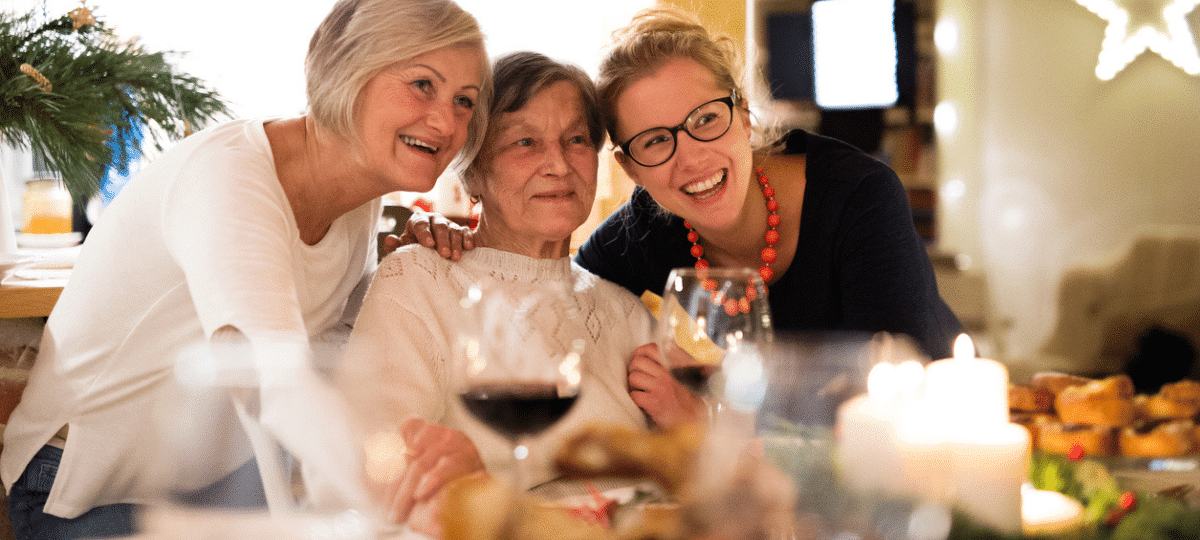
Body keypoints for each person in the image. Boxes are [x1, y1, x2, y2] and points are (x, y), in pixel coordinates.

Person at [0, 1, 490, 538]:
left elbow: (332, 351)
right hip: (81, 493)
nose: (446, 121)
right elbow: (276, 385)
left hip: (226, 483)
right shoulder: (228, 179)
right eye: (422, 84)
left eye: (464, 100)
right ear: (348, 71)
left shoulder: (356, 190)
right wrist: (406, 495)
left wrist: (406, 269)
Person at [402, 7, 962, 365]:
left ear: (745, 115)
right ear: (628, 165)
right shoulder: (638, 238)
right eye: (653, 141)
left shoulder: (859, 194)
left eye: (705, 120)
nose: (690, 159)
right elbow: (547, 275)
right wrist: (453, 238)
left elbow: (907, 375)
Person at [337, 51, 666, 535]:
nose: (558, 163)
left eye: (576, 139)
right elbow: (370, 454)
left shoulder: (626, 310)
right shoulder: (421, 278)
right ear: (471, 171)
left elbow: (685, 470)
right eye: (525, 142)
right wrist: (458, 479)